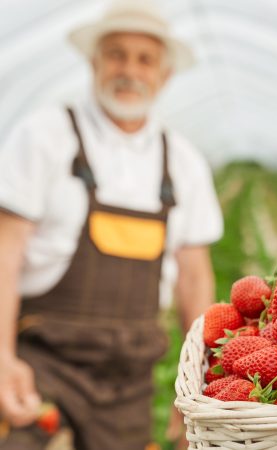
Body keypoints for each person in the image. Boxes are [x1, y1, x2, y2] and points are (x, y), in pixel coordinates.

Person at [0, 0, 223, 449]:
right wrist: (0, 357)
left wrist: (203, 378)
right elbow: (6, 250)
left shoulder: (182, 162)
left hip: (130, 379)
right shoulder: (45, 136)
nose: (130, 70)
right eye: (116, 54)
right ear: (94, 61)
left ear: (165, 74)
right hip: (42, 362)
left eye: (145, 59)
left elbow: (195, 276)